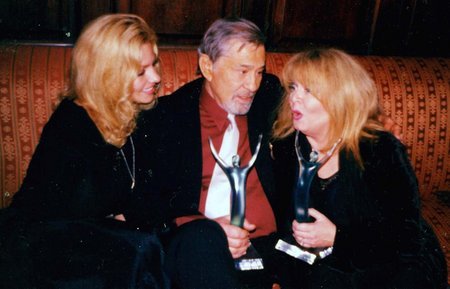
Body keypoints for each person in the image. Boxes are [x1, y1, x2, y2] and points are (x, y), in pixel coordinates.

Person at [0, 14, 169, 289]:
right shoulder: (72, 124)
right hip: (44, 243)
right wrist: (116, 226)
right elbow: (53, 213)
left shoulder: (140, 113)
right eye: (140, 72)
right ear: (107, 75)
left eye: (155, 64)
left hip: (99, 243)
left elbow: (157, 188)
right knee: (139, 248)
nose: (156, 77)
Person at [271, 48, 447, 289]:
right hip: (321, 264)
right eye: (293, 87)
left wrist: (337, 238)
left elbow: (407, 239)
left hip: (390, 264)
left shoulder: (377, 148)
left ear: (339, 98)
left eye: (308, 90)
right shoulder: (286, 144)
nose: (294, 98)